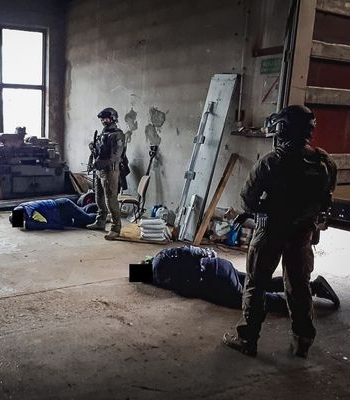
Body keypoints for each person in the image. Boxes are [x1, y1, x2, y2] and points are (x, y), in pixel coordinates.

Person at [223, 105, 337, 358]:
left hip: (270, 231)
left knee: (256, 284)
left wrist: (263, 209)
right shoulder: (324, 162)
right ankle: (302, 340)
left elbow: (248, 199)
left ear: (283, 128)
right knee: (299, 286)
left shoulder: (271, 162)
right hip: (302, 234)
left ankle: (247, 338)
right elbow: (326, 198)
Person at [139, 245, 339, 312]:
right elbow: (190, 250)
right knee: (260, 283)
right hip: (219, 267)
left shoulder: (161, 271)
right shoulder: (162, 259)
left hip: (215, 278)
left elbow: (185, 285)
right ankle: (313, 287)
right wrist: (209, 255)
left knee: (253, 300)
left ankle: (299, 304)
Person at [86, 107, 126, 240]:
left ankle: (115, 228)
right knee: (99, 197)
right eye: (102, 119)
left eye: (106, 118)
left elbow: (115, 156)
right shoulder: (104, 133)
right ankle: (100, 221)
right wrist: (93, 146)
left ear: (113, 118)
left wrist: (100, 163)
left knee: (110, 200)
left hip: (110, 171)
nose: (104, 121)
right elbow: (101, 149)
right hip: (100, 170)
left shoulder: (117, 135)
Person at [11, 198, 97, 230]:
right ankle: (93, 208)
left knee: (87, 219)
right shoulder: (23, 206)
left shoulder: (32, 212)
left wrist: (30, 225)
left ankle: (102, 217)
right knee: (79, 221)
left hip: (63, 207)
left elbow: (45, 224)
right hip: (61, 208)